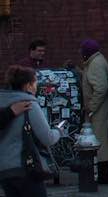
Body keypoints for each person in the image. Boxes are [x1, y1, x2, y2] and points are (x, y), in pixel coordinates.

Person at [0, 66, 62, 197]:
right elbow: (47, 138)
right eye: (35, 83)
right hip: (25, 167)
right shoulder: (29, 104)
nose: (36, 87)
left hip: (4, 168)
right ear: (28, 85)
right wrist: (58, 131)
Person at [79, 39, 108, 185]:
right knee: (100, 144)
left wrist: (91, 106)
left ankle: (104, 176)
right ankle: (103, 175)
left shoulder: (94, 64)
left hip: (99, 111)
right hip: (103, 108)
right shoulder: (97, 60)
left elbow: (100, 87)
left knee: (98, 144)